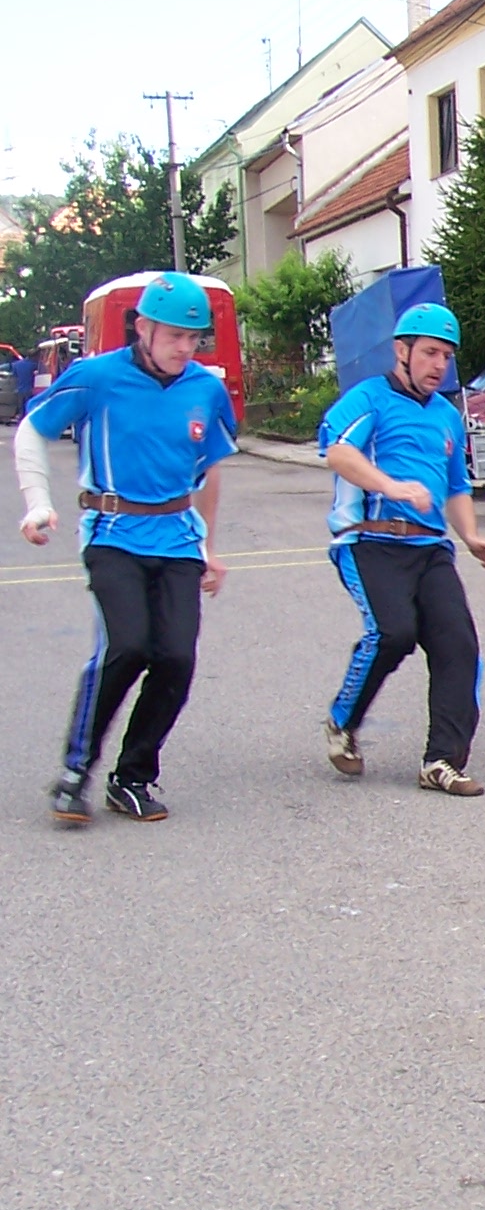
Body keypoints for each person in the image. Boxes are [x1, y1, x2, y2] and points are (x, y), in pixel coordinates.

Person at [14, 272, 235, 823]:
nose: (186, 348)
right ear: (143, 327)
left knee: (177, 658)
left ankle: (132, 777)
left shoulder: (204, 388)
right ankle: (75, 771)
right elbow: (31, 431)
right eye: (175, 336)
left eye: (195, 338)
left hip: (178, 538)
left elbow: (207, 472)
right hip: (112, 534)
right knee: (127, 645)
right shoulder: (97, 377)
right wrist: (37, 502)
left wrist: (207, 545)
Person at [316, 303, 485, 796]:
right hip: (370, 539)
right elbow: (336, 451)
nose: (439, 365)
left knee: (458, 644)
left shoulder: (446, 415)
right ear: (402, 351)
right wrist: (392, 487)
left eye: (446, 356)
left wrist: (470, 536)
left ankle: (441, 760)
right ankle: (342, 722)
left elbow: (456, 487)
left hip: (430, 548)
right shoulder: (370, 399)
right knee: (392, 632)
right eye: (429, 353)